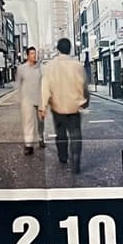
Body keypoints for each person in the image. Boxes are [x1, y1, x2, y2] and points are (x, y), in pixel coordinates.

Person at [38, 38, 87, 175]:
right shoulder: (78, 65)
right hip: (74, 107)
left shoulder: (50, 66)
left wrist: (43, 107)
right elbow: (84, 85)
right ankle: (76, 160)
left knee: (60, 134)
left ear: (58, 49)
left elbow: (45, 88)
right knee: (75, 133)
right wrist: (85, 101)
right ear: (70, 49)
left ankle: (63, 156)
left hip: (58, 107)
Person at [14, 45, 44, 155]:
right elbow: (18, 84)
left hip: (39, 98)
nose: (34, 55)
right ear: (27, 55)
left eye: (35, 53)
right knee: (28, 123)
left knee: (41, 121)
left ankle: (41, 137)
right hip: (27, 100)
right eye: (31, 53)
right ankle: (29, 145)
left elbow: (44, 82)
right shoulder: (21, 69)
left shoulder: (40, 68)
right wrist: (19, 99)